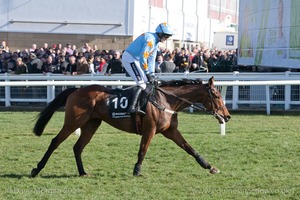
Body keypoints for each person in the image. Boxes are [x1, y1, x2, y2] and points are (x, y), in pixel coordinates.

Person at [121, 22, 173, 115]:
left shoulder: (155, 42)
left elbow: (151, 60)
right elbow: (143, 57)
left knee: (147, 82)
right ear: (160, 34)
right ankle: (132, 108)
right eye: (166, 36)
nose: (166, 39)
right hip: (129, 58)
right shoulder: (150, 40)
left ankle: (143, 105)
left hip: (135, 59)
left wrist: (152, 74)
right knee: (141, 83)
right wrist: (147, 73)